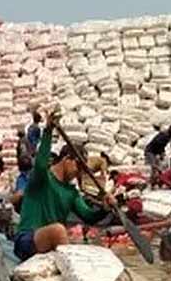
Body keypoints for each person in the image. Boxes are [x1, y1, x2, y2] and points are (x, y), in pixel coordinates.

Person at [13, 111, 115, 260]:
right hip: (27, 241)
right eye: (78, 168)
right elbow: (40, 164)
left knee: (71, 239)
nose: (78, 173)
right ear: (67, 159)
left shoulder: (72, 192)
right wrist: (48, 130)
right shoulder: (42, 178)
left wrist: (105, 208)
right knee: (59, 231)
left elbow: (88, 216)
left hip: (50, 245)